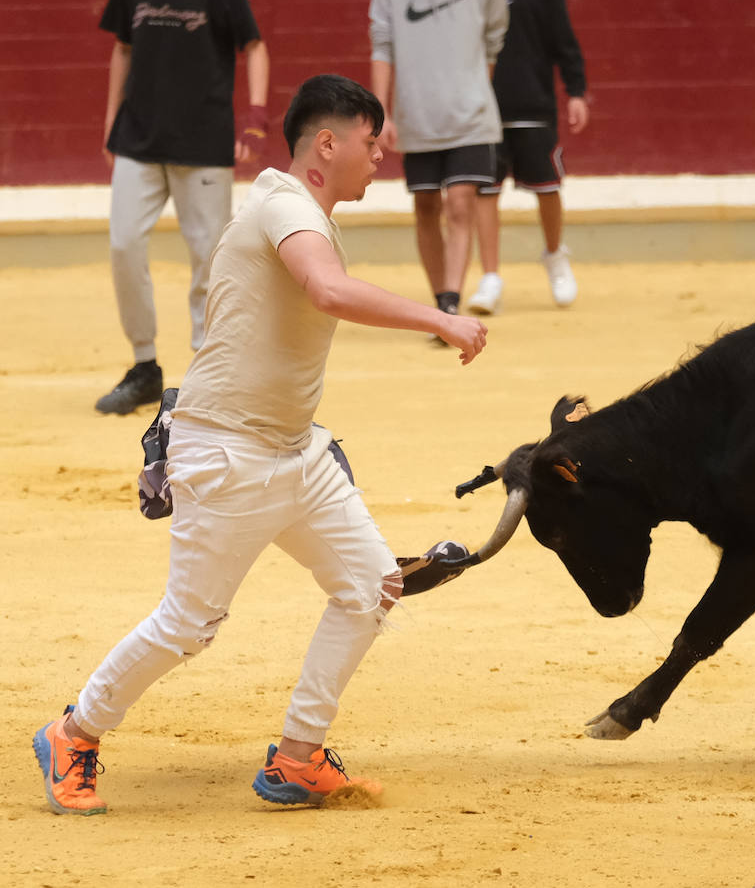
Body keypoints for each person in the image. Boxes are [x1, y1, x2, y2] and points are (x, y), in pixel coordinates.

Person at [32, 74, 489, 815]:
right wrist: (439, 319)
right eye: (372, 142)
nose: (383, 155)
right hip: (226, 450)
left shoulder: (300, 209)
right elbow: (328, 291)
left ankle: (298, 757)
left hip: (293, 451)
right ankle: (72, 731)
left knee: (372, 585)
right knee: (188, 623)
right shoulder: (284, 203)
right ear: (327, 144)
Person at [96, 0, 271, 415]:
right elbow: (122, 48)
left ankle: (206, 377)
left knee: (210, 259)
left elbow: (254, 46)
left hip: (204, 139)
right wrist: (110, 117)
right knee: (123, 244)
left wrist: (254, 115)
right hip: (138, 137)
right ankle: (144, 366)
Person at [369, 0, 509, 324]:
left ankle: (450, 302)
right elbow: (382, 44)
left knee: (460, 204)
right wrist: (381, 110)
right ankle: (439, 301)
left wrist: (474, 91)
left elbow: (494, 40)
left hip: (472, 118)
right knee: (426, 206)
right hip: (417, 116)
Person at [472, 0, 589, 313]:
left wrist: (577, 91)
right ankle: (490, 278)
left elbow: (562, 37)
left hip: (534, 104)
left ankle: (555, 256)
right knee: (485, 191)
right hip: (482, 105)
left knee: (548, 187)